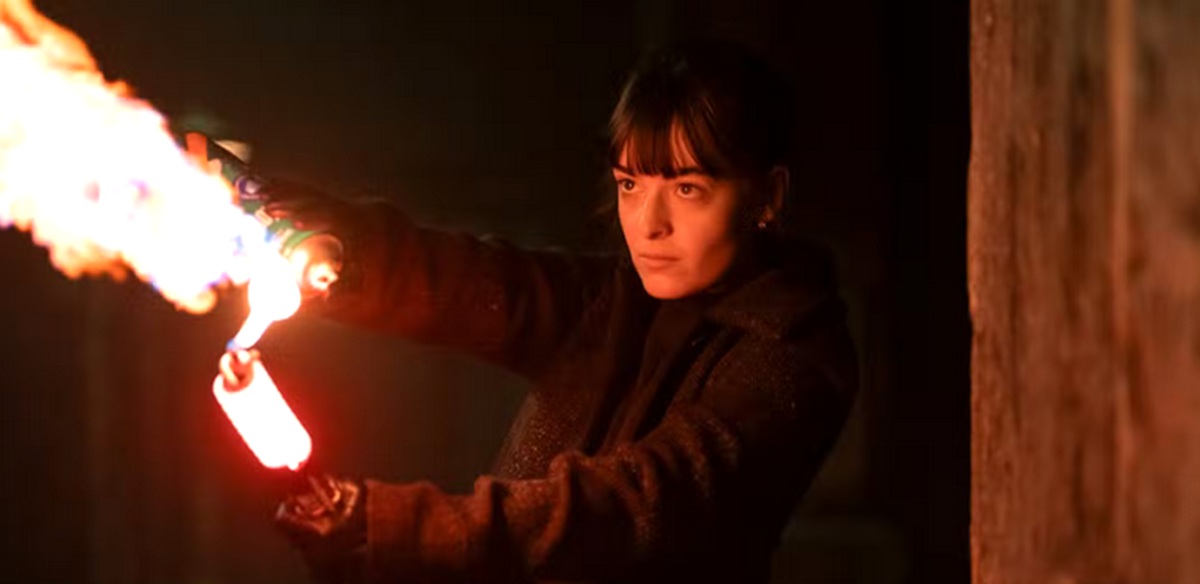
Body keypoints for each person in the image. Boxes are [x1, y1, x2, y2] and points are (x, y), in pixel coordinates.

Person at [267, 39, 858, 584]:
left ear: (767, 196)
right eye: (630, 185)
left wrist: (396, 525)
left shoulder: (793, 354)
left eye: (687, 189)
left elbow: (635, 503)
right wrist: (314, 241)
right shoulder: (617, 302)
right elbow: (471, 282)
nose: (648, 225)